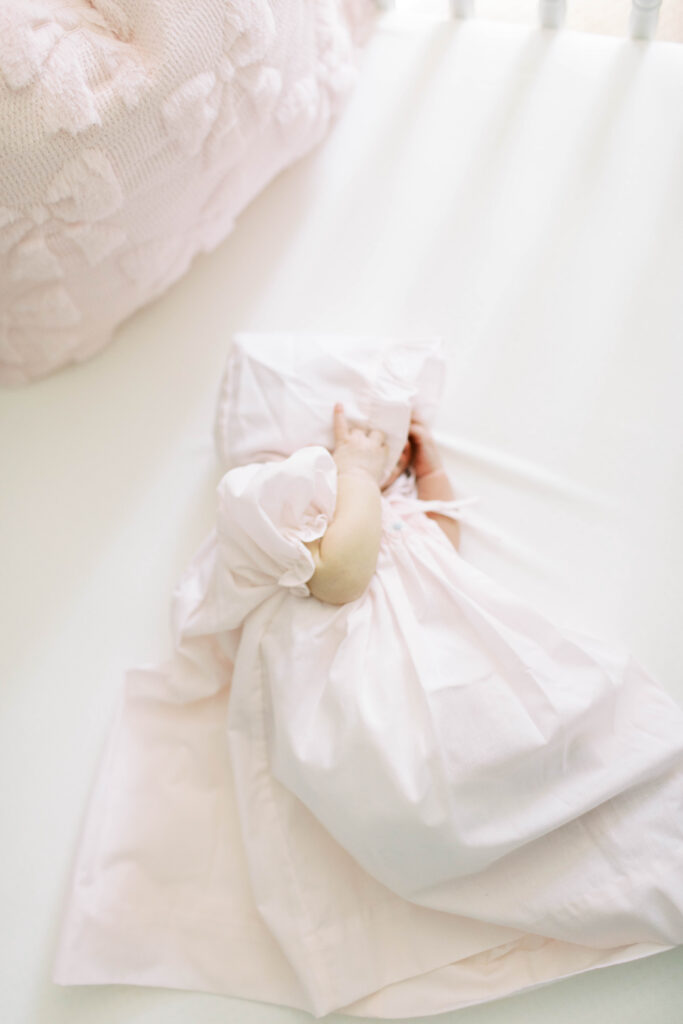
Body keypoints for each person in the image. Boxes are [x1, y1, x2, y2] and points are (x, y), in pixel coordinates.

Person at [304, 402, 460, 604]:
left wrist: (431, 474)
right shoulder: (314, 509)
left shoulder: (399, 509)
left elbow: (443, 554)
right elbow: (335, 582)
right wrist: (357, 471)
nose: (378, 448)